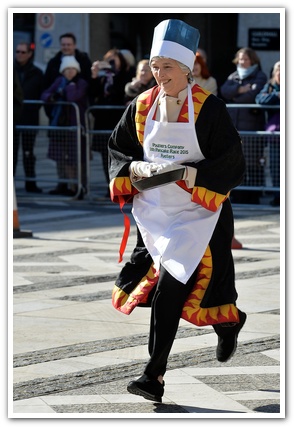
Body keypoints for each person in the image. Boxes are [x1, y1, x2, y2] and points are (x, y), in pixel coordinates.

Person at [108, 19, 247, 403]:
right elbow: (118, 148)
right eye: (155, 65)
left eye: (167, 66)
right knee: (169, 290)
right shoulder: (140, 106)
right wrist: (134, 169)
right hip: (155, 213)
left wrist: (190, 172)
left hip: (201, 214)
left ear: (188, 68)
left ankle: (153, 375)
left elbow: (233, 161)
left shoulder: (210, 108)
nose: (159, 73)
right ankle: (230, 320)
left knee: (172, 288)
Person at [220, 47, 267, 204]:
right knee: (236, 161)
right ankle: (238, 195)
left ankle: (253, 196)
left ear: (252, 60)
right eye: (240, 59)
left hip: (251, 125)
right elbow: (224, 91)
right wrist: (240, 89)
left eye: (245, 59)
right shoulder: (233, 76)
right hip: (235, 126)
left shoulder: (259, 75)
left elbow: (253, 95)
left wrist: (235, 98)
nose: (242, 62)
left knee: (252, 161)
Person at [41, 56, 89, 198]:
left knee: (77, 158)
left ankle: (79, 187)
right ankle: (66, 184)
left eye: (72, 68)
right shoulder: (59, 81)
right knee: (61, 157)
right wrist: (53, 96)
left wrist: (67, 89)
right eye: (67, 69)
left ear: (77, 70)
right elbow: (45, 95)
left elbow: (73, 97)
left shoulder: (81, 83)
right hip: (61, 126)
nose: (69, 72)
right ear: (62, 71)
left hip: (77, 126)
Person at [90, 48, 135, 188]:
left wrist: (115, 75)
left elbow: (122, 92)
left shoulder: (126, 75)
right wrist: (94, 75)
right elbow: (93, 92)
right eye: (107, 60)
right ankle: (110, 185)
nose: (110, 63)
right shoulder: (104, 76)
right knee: (105, 156)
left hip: (118, 121)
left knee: (120, 155)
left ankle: (122, 185)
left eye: (113, 60)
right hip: (103, 120)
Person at [14, 42, 44, 193]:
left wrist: (33, 108)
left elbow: (41, 94)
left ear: (29, 54)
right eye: (17, 52)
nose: (19, 54)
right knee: (10, 153)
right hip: (11, 119)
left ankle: (30, 183)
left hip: (29, 118)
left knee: (28, 153)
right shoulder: (9, 69)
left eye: (23, 52)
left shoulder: (36, 72)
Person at [256, 61, 280, 207]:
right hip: (275, 136)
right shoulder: (270, 86)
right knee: (276, 168)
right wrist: (277, 95)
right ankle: (279, 196)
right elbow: (260, 99)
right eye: (278, 71)